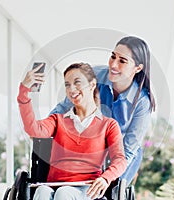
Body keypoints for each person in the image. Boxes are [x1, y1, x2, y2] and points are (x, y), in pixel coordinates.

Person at [51, 36, 155, 185]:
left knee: (111, 188)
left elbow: (129, 149)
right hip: (90, 147)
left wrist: (108, 177)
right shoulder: (94, 76)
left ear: (138, 68)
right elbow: (64, 107)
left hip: (120, 154)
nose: (113, 64)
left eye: (122, 61)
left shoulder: (142, 103)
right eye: (113, 57)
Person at [17, 62, 127, 200]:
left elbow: (120, 160)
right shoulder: (57, 120)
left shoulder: (108, 125)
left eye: (77, 82)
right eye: (67, 85)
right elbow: (33, 130)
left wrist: (106, 178)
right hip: (53, 186)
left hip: (87, 189)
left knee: (64, 193)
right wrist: (24, 91)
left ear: (92, 85)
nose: (71, 89)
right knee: (43, 192)